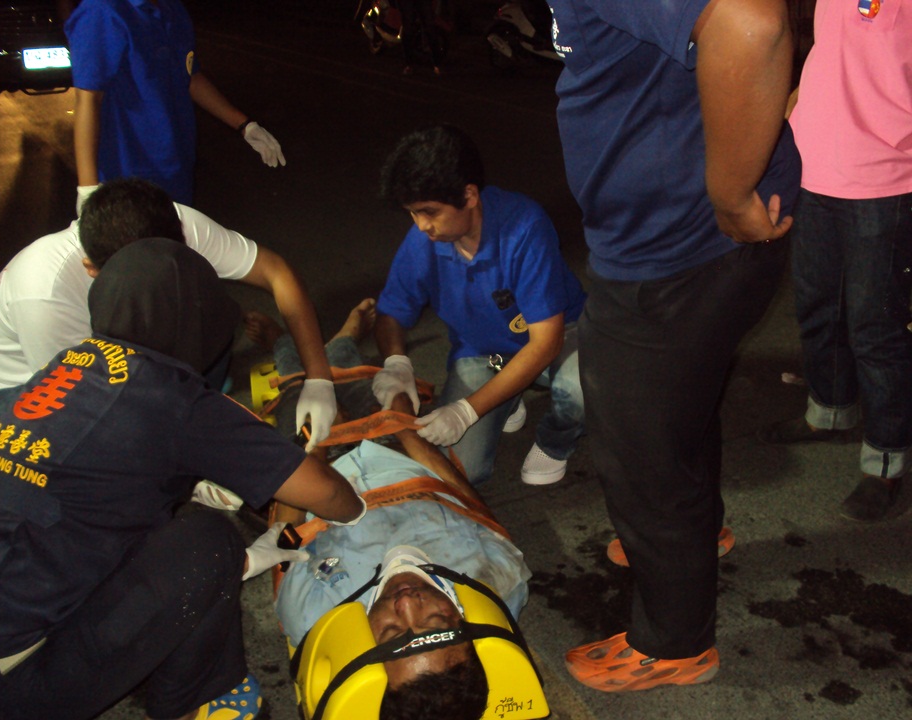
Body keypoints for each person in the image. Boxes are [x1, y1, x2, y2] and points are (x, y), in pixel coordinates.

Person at [0, 238, 365, 720]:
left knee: (126, 511)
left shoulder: (65, 365)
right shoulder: (174, 397)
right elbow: (325, 491)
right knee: (208, 541)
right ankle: (193, 701)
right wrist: (362, 507)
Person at [545, 0, 800, 692]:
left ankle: (675, 642)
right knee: (678, 406)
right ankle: (693, 536)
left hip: (672, 253)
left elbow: (751, 23)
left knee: (640, 450)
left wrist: (730, 192)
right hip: (692, 248)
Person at [255, 304, 532, 719]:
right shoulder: (498, 583)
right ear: (465, 625)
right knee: (363, 378)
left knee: (302, 387)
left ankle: (282, 343)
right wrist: (405, 426)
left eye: (390, 631)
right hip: (398, 450)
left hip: (318, 472)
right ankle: (344, 340)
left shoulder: (312, 617)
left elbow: (285, 534)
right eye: (435, 621)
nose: (406, 605)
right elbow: (471, 505)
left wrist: (313, 447)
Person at [0, 178, 337, 450]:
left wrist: (319, 379)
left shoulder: (171, 222)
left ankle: (189, 412)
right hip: (14, 393)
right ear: (92, 269)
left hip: (110, 357)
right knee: (98, 471)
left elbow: (276, 272)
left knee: (208, 316)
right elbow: (84, 407)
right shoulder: (46, 294)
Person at [759, 0, 912, 522]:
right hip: (814, 167)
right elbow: (827, 56)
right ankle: (829, 412)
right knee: (818, 304)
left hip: (885, 179)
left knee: (876, 326)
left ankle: (886, 461)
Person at [372, 124, 586, 486]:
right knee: (459, 470)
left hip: (560, 337)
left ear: (469, 195)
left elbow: (546, 343)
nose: (421, 225)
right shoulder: (424, 240)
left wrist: (466, 410)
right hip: (488, 356)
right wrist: (396, 363)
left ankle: (556, 441)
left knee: (584, 385)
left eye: (429, 211)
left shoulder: (524, 227)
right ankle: (505, 396)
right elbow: (391, 311)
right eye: (412, 213)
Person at [65, 0, 286, 209]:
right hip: (126, 177)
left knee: (173, 237)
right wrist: (88, 190)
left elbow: (190, 78)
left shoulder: (171, 8)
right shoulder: (102, 11)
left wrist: (245, 125)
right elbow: (88, 98)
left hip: (175, 169)